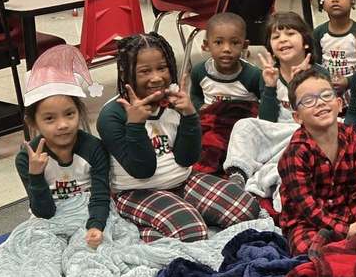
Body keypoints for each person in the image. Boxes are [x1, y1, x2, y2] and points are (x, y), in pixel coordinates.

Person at [97, 33, 261, 242]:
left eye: (162, 68)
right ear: (126, 73)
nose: (156, 78)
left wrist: (190, 115)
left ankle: (182, 214)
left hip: (183, 180)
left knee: (245, 208)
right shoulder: (111, 115)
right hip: (138, 190)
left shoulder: (173, 101)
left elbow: (187, 159)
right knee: (192, 232)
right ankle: (141, 228)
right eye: (145, 71)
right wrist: (136, 125)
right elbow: (142, 169)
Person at [278, 69, 356, 253]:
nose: (320, 103)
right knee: (306, 247)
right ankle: (352, 244)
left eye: (326, 95)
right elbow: (307, 207)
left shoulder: (350, 136)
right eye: (309, 100)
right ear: (297, 117)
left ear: (338, 103)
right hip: (309, 221)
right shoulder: (296, 153)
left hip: (346, 206)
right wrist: (345, 230)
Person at [15, 45, 110, 248]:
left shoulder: (94, 148)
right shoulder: (26, 159)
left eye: (69, 114)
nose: (63, 125)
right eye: (49, 118)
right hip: (49, 222)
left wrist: (96, 226)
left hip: (90, 216)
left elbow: (101, 196)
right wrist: (36, 175)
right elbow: (44, 212)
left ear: (79, 112)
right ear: (33, 123)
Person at [222, 11, 325, 187]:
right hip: (277, 131)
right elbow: (266, 120)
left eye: (291, 34)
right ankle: (238, 175)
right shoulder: (269, 74)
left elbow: (321, 116)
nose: (283, 39)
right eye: (276, 37)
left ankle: (279, 168)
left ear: (306, 42)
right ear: (270, 48)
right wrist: (270, 87)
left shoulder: (320, 73)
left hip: (307, 131)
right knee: (244, 125)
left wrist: (304, 85)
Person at [189, 12, 276, 120]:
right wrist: (200, 106)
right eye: (218, 42)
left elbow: (267, 109)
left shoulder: (254, 75)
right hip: (212, 124)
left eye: (234, 43)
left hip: (243, 125)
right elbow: (195, 96)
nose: (227, 49)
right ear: (206, 46)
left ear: (244, 45)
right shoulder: (199, 71)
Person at [312, 0, 356, 94]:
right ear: (322, 4)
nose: (335, 0)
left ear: (352, 1)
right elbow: (315, 64)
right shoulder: (318, 33)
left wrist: (348, 81)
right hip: (327, 90)